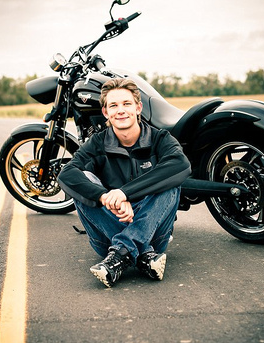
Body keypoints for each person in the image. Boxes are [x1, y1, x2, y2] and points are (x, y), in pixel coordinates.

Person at [57, 78, 191, 287]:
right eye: (114, 105)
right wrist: (105, 196)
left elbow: (180, 165)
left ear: (138, 108)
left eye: (126, 104)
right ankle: (144, 255)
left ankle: (121, 254)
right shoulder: (97, 143)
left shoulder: (160, 139)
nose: (120, 110)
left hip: (155, 234)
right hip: (108, 236)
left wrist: (124, 193)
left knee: (170, 182)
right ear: (105, 112)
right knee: (84, 180)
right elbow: (66, 174)